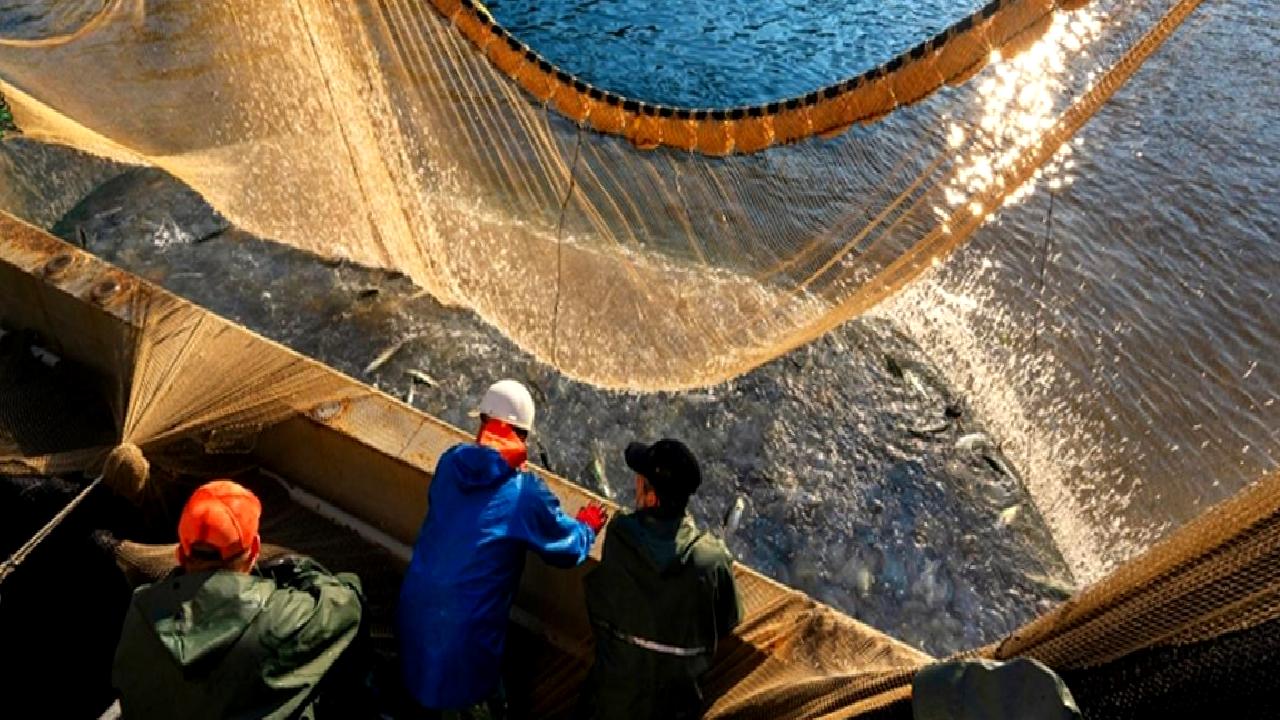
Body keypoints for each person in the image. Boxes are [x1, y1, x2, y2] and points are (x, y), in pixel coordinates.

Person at [398, 379, 609, 718]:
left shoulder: (450, 462)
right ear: (522, 437)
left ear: (482, 422)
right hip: (464, 645)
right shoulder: (525, 492)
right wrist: (586, 527)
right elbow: (566, 549)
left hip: (411, 621)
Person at [112, 479, 366, 720]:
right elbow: (347, 602)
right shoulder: (279, 618)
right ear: (255, 549)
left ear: (180, 553)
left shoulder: (141, 606)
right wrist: (302, 570)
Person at [579, 439, 743, 720]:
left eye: (640, 482)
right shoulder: (711, 560)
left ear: (652, 497)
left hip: (610, 706)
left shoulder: (620, 534)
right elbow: (730, 619)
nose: (635, 486)